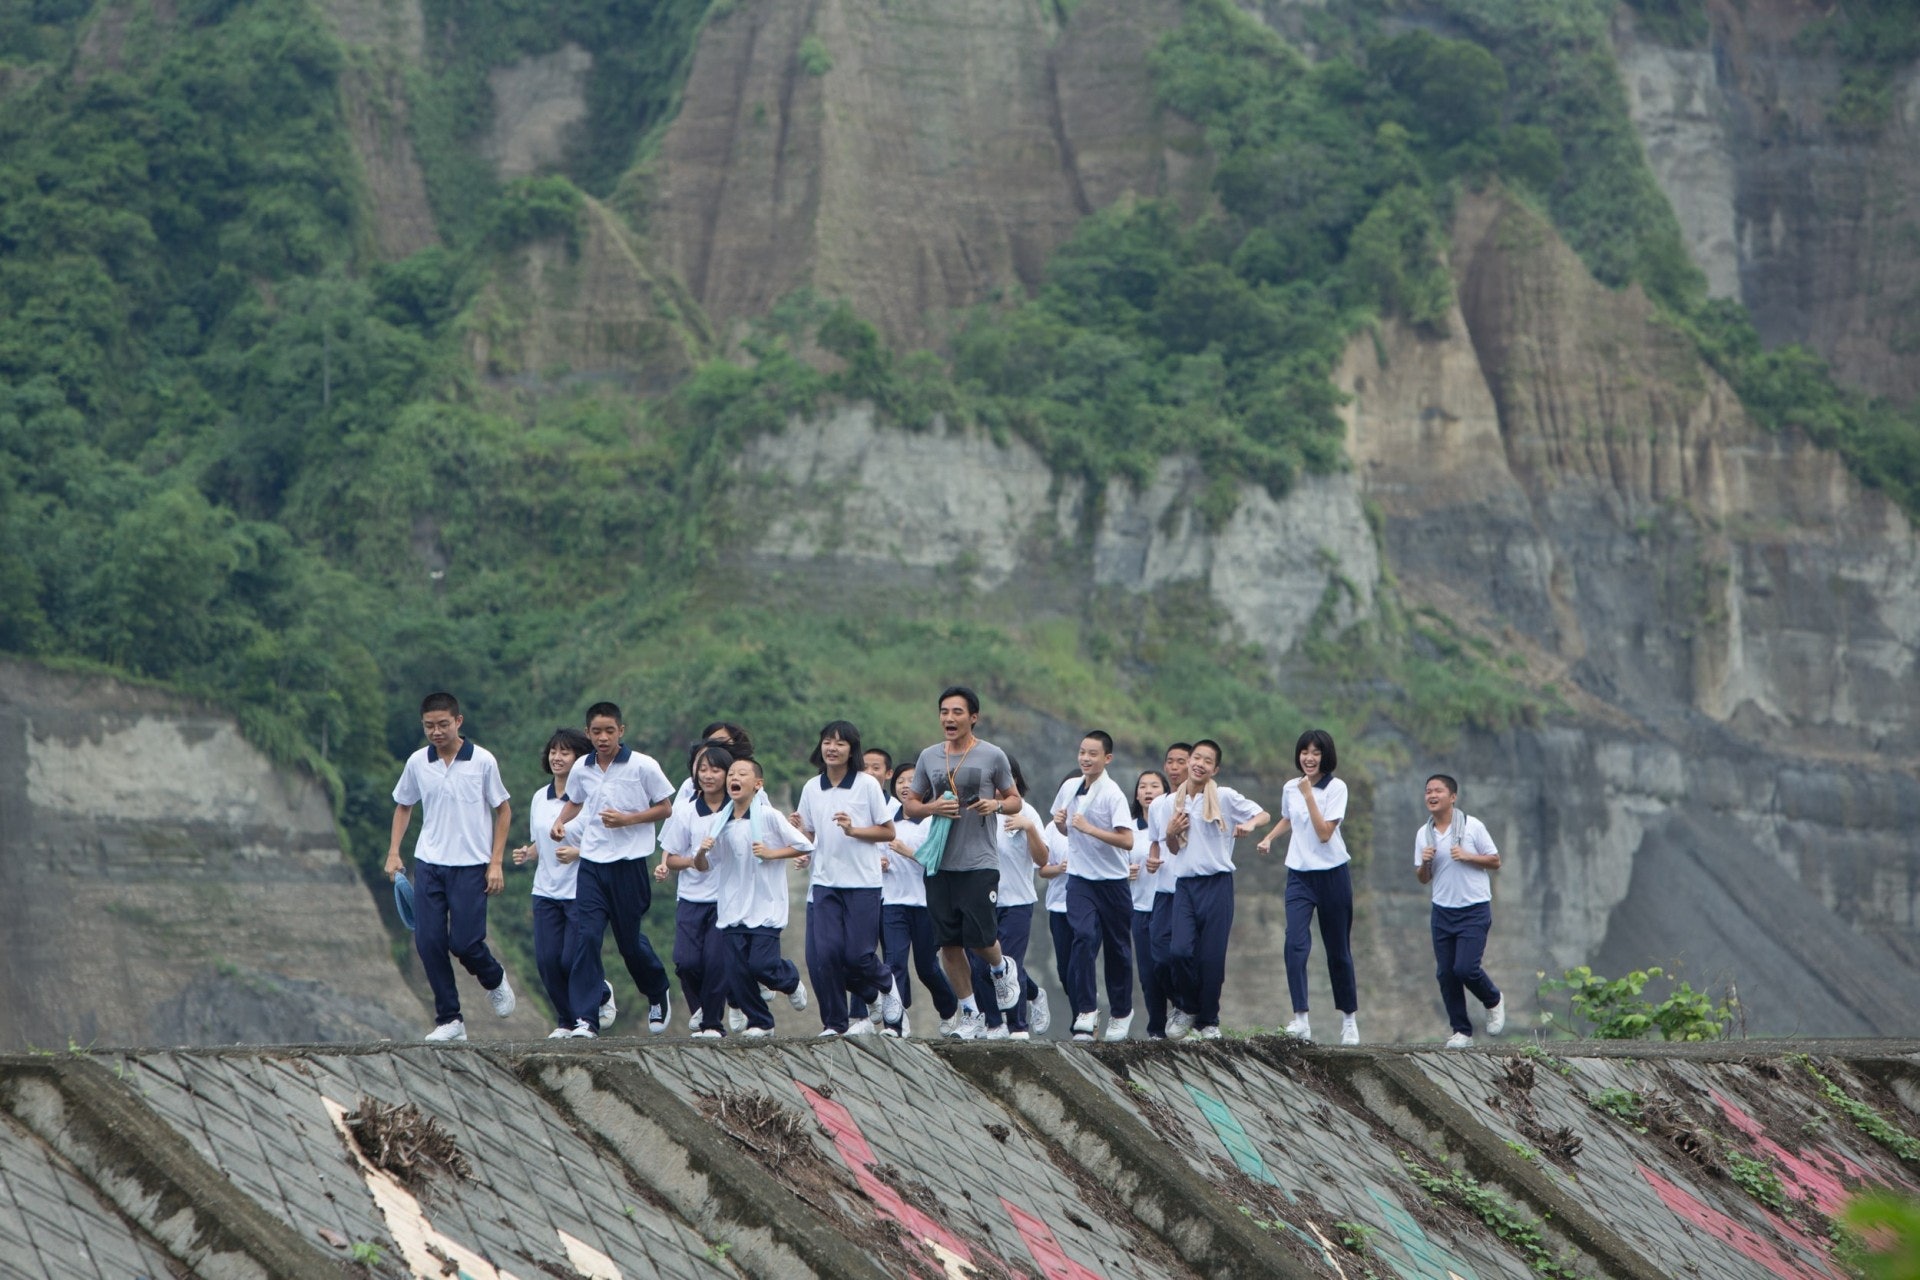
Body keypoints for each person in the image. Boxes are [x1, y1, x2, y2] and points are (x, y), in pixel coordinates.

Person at [385, 692, 517, 1042]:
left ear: (458, 721)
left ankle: (493, 978)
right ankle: (450, 1019)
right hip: (429, 862)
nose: (436, 731)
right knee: (428, 941)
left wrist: (496, 862)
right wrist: (394, 851)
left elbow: (502, 810)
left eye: (443, 724)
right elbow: (403, 805)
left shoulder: (482, 761)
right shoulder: (417, 762)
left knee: (465, 943)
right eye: (429, 726)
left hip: (472, 866)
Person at [903, 686, 1026, 1038]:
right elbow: (911, 805)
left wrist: (996, 805)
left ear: (974, 717)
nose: (949, 718)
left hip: (979, 862)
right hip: (940, 864)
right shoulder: (929, 757)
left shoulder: (993, 756)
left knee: (980, 939)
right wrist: (931, 808)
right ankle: (970, 1012)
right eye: (944, 712)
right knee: (949, 943)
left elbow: (1015, 799)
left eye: (957, 712)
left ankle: (1001, 968)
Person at [549, 702, 676, 1038]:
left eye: (609, 731)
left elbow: (665, 807)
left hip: (629, 865)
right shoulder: (581, 767)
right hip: (591, 863)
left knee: (629, 943)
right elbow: (575, 800)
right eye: (596, 732)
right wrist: (560, 822)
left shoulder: (642, 766)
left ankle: (656, 989)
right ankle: (586, 1019)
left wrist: (628, 819)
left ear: (622, 730)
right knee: (586, 938)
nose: (602, 738)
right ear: (588, 733)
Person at [793, 721, 901, 1038]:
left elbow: (887, 830)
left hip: (863, 883)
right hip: (825, 882)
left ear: (851, 749)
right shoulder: (812, 788)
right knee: (825, 956)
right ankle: (835, 1023)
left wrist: (854, 830)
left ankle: (884, 984)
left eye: (840, 743)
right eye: (827, 741)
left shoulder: (866, 785)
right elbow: (809, 834)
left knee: (858, 955)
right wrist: (798, 836)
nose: (832, 748)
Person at [693, 757, 811, 1038]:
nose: (735, 777)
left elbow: (804, 845)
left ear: (757, 784)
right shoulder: (720, 823)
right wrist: (699, 852)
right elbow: (705, 865)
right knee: (736, 973)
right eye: (731, 773)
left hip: (765, 905)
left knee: (762, 965)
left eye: (742, 773)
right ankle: (761, 1022)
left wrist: (771, 854)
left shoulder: (768, 816)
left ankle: (790, 979)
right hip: (733, 906)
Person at [1256, 729, 1359, 1045]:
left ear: (1325, 755)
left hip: (1333, 875)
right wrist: (1269, 838)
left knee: (1337, 950)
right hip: (1299, 875)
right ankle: (1300, 1019)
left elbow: (1325, 832)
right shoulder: (1291, 786)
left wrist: (1309, 795)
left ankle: (1349, 1020)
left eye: (1316, 752)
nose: (1309, 758)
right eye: (1304, 752)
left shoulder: (1336, 787)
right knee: (1295, 943)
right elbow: (1289, 819)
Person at [512, 727, 615, 1037]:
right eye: (554, 751)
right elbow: (541, 840)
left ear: (580, 758)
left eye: (565, 752)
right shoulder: (538, 798)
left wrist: (579, 852)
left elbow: (608, 842)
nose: (557, 757)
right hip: (545, 891)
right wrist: (528, 853)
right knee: (547, 960)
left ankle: (590, 1015)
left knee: (573, 958)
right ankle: (566, 1020)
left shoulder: (590, 798)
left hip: (582, 890)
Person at [1162, 741, 1268, 1042]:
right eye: (1196, 758)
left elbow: (1263, 815)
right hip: (1185, 885)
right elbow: (1172, 848)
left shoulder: (1223, 796)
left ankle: (1208, 1020)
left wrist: (1248, 824)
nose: (1199, 764)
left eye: (1207, 761)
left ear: (1215, 769)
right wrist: (1171, 832)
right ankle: (1186, 1007)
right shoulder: (1176, 801)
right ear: (1188, 761)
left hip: (1217, 884)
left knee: (1211, 958)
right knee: (1179, 951)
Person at [1050, 731, 1135, 1042]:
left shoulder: (1112, 794)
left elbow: (1127, 840)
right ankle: (1086, 1009)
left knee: (1118, 951)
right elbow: (1065, 829)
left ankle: (1122, 1012)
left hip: (1113, 883)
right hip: (1080, 879)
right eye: (1082, 752)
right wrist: (1061, 822)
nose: (1085, 758)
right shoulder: (1070, 788)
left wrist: (1091, 828)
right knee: (1083, 938)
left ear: (1107, 758)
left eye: (1093, 754)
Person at [1416, 773, 1505, 1048]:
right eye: (1428, 791)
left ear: (1452, 797)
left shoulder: (1471, 826)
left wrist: (1467, 856)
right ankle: (1461, 1031)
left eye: (1438, 791)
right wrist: (1425, 862)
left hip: (1474, 908)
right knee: (1445, 973)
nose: (1431, 795)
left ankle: (1493, 999)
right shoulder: (1424, 833)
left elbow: (1495, 860)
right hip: (1442, 909)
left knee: (1465, 968)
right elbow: (1422, 878)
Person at [968, 756, 1050, 1039]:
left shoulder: (1028, 812)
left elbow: (1042, 860)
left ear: (1016, 780)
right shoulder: (976, 810)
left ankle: (1017, 1026)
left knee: (1009, 964)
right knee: (980, 965)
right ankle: (994, 1024)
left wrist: (1028, 828)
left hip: (1016, 901)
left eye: (1006, 777)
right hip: (980, 902)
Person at [658, 742, 736, 1036]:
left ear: (728, 775)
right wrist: (693, 860)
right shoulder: (686, 812)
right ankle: (701, 1009)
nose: (708, 775)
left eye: (715, 769)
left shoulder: (738, 812)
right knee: (685, 961)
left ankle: (713, 1024)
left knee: (716, 962)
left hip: (725, 900)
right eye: (702, 769)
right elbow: (672, 856)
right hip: (691, 898)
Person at [879, 763, 958, 1037]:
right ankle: (895, 1023)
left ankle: (948, 1008)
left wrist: (905, 851)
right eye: (900, 781)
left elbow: (935, 860)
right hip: (892, 902)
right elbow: (877, 849)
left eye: (912, 781)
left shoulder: (932, 821)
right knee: (894, 963)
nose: (904, 785)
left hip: (925, 904)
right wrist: (881, 862)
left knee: (926, 968)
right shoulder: (887, 818)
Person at [1142, 744, 1192, 1040]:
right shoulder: (1160, 805)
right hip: (1163, 889)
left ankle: (1189, 1008)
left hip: (1189, 889)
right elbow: (1155, 842)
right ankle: (1181, 1005)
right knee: (1158, 957)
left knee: (1182, 953)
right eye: (1170, 762)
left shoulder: (1201, 801)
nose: (1174, 768)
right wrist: (1151, 860)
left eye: (1180, 762)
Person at [1127, 770, 1169, 1039]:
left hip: (1169, 904)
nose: (1148, 790)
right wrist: (1124, 870)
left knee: (1169, 963)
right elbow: (1111, 863)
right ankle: (1157, 1029)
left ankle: (1185, 1017)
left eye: (1155, 786)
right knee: (1148, 972)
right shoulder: (1128, 829)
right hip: (1139, 907)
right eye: (1143, 786)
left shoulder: (1172, 825)